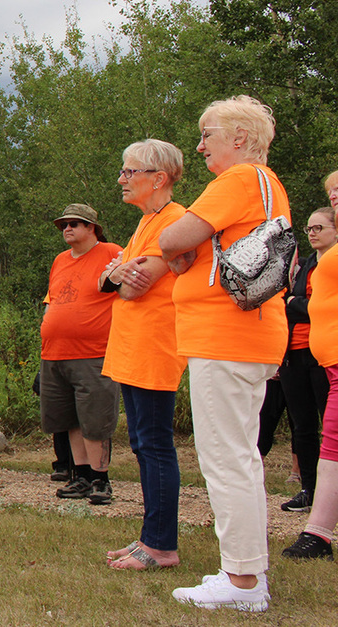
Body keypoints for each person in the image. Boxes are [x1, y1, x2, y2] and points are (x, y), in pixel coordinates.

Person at [160, 95, 289, 611]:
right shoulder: (268, 184)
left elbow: (175, 237)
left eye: (207, 134)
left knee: (225, 460)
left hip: (223, 336)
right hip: (251, 335)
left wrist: (178, 248)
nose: (200, 145)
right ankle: (246, 573)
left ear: (238, 138)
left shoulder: (236, 180)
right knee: (242, 457)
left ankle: (241, 583)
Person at [98, 139, 189, 570]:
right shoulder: (145, 224)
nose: (121, 179)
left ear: (159, 178)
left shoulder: (175, 221)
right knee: (140, 443)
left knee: (154, 445)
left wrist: (118, 273)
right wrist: (118, 273)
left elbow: (134, 284)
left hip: (154, 347)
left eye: (129, 171)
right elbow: (116, 278)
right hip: (131, 347)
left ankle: (160, 546)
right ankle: (149, 539)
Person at [40, 204, 123, 504]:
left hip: (93, 353)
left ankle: (101, 480)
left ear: (92, 228)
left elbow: (129, 292)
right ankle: (82, 476)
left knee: (95, 419)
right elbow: (52, 302)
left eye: (75, 223)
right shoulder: (60, 260)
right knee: (71, 419)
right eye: (64, 224)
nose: (67, 229)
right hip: (54, 354)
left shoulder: (111, 252)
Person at [282, 203, 338, 561]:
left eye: (320, 227)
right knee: (307, 427)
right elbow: (290, 303)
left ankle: (318, 532)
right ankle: (311, 496)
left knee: (329, 431)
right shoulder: (307, 266)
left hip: (323, 359)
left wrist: (295, 301)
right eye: (309, 228)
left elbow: (298, 304)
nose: (312, 233)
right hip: (304, 354)